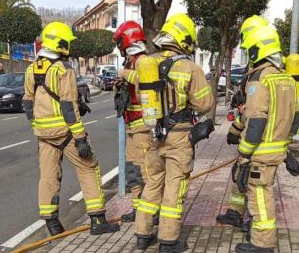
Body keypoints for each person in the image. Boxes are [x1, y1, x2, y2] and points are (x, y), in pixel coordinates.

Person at [22, 22, 120, 236]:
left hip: (44, 136)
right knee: (88, 168)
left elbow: (28, 103)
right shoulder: (63, 70)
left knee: (48, 177)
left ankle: (52, 225)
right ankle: (97, 220)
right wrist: (80, 138)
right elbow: (68, 107)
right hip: (67, 133)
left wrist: (36, 126)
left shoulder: (31, 69)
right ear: (59, 44)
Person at [135, 13, 214, 252]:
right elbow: (204, 104)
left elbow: (141, 95)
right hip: (179, 136)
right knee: (174, 186)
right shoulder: (189, 67)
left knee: (152, 183)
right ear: (185, 39)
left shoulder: (147, 64)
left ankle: (142, 234)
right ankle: (169, 241)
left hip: (153, 133)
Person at [229, 26, 299, 253]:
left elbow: (256, 120)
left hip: (261, 151)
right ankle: (257, 233)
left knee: (260, 193)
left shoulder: (260, 79)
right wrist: (286, 145)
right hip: (277, 148)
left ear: (256, 50)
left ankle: (262, 243)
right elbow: (295, 115)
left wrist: (245, 152)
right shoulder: (286, 78)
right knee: (263, 190)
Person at [217, 15, 270, 228]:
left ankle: (251, 219)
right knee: (240, 175)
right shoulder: (253, 71)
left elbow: (256, 113)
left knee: (251, 180)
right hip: (249, 135)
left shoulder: (264, 74)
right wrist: (235, 130)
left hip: (258, 140)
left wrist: (246, 146)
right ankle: (235, 213)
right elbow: (245, 110)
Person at [113, 21, 157, 223]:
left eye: (120, 42)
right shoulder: (131, 62)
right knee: (133, 170)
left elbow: (142, 81)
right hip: (131, 124)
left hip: (143, 125)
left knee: (145, 169)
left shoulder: (144, 62)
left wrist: (124, 75)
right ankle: (137, 207)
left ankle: (153, 210)